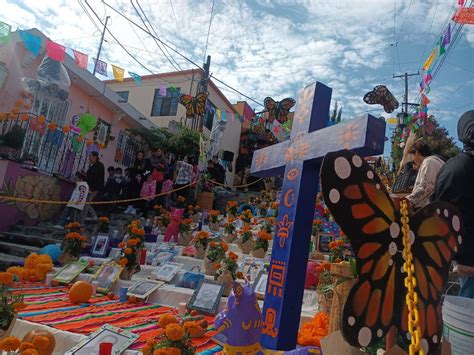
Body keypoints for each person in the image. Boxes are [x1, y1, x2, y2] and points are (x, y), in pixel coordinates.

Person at [431, 110, 474, 298]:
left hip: (465, 257)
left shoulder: (452, 168)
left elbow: (438, 212)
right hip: (465, 256)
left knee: (465, 318)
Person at [403, 140, 444, 210]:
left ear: (417, 152)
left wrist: (406, 201)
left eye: (412, 155)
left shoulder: (428, 162)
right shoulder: (432, 161)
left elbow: (425, 188)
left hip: (432, 209)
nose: (412, 159)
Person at [84, 151, 105, 220]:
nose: (89, 158)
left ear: (95, 157)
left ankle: (83, 218)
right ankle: (94, 216)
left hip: (94, 188)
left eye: (90, 157)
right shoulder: (94, 165)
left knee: (86, 203)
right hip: (90, 187)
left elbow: (97, 178)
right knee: (86, 202)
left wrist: (92, 188)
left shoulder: (99, 166)